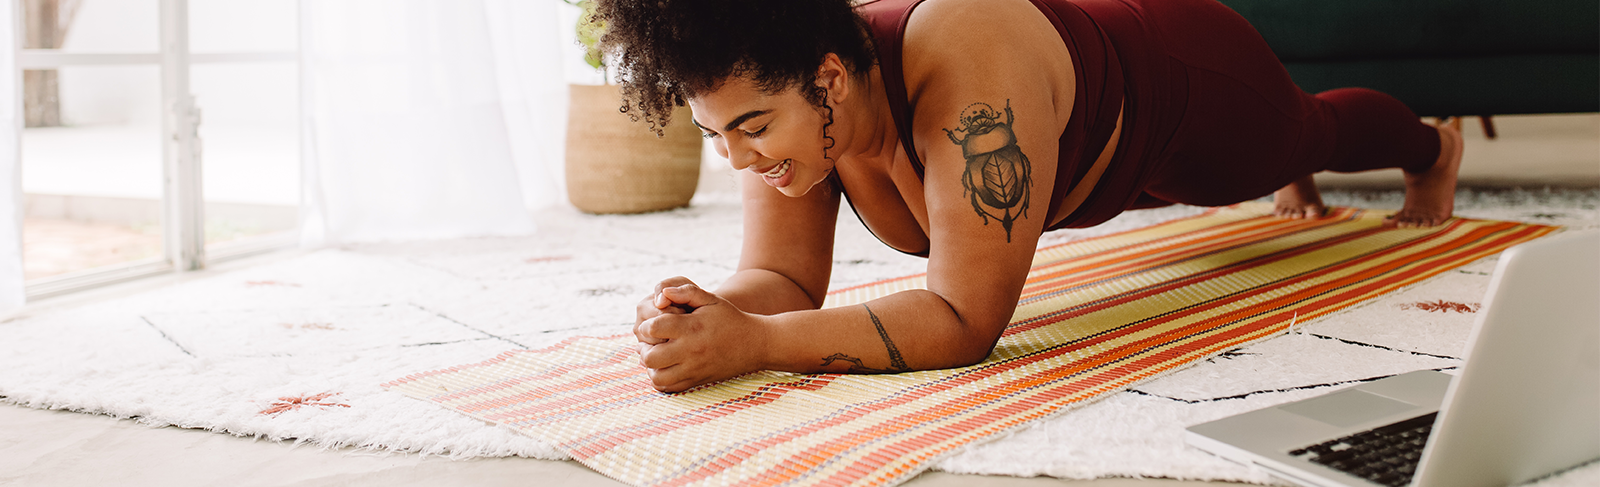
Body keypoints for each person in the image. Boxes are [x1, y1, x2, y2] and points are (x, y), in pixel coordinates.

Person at [604, 0, 1464, 392]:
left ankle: (1433, 144)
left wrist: (757, 346)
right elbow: (782, 284)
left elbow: (961, 321)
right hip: (1095, 154)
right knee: (1199, 185)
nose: (737, 160)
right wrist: (707, 310)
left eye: (750, 127)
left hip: (1185, 81)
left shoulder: (960, 51)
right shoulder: (798, 116)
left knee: (1305, 135)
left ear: (829, 78)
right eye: (715, 133)